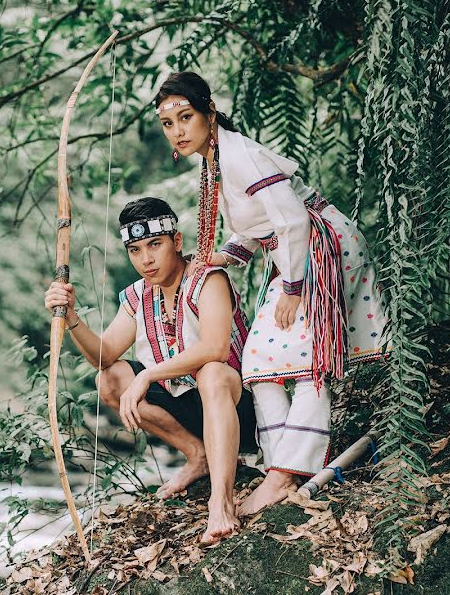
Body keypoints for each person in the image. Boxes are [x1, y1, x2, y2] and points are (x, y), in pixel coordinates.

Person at [154, 71, 389, 516]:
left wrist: (295, 289)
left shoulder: (240, 157)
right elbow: (257, 226)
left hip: (320, 249)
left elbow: (294, 220)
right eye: (169, 123)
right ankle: (278, 464)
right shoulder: (216, 159)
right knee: (260, 361)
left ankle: (286, 474)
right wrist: (223, 257)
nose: (178, 130)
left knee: (306, 363)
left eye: (186, 117)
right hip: (291, 255)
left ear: (209, 114)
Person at [44, 197, 258, 544]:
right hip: (190, 409)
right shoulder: (136, 296)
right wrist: (71, 318)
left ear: (176, 241)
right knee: (109, 379)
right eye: (135, 250)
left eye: (154, 245)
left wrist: (147, 374)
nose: (146, 259)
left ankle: (221, 501)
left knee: (212, 373)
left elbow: (216, 348)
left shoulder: (208, 279)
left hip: (237, 407)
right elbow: (104, 355)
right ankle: (197, 455)